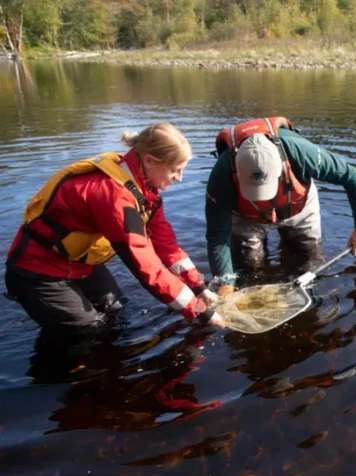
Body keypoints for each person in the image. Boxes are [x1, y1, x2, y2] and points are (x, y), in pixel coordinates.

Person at [4, 123, 225, 331]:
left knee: (115, 310)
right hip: (38, 270)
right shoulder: (113, 196)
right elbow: (146, 267)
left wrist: (199, 288)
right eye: (175, 170)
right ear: (149, 161)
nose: (179, 178)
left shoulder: (145, 189)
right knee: (89, 330)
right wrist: (200, 312)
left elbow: (166, 245)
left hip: (78, 262)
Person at [205, 117, 356, 297]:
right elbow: (217, 237)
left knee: (309, 261)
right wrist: (225, 283)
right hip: (246, 217)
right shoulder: (221, 173)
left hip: (300, 208)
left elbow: (352, 176)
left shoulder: (300, 152)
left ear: (280, 167)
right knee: (248, 266)